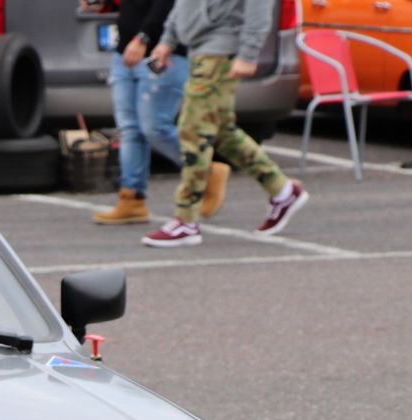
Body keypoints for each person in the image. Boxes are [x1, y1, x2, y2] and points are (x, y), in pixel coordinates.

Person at [140, 0, 308, 247]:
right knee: (221, 131)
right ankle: (282, 190)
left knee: (193, 131)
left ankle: (186, 219)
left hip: (220, 48)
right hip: (201, 47)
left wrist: (248, 53)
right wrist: (168, 39)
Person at [89, 0, 230, 226]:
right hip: (125, 51)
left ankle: (204, 170)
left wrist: (144, 37)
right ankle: (132, 198)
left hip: (162, 52)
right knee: (129, 129)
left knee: (155, 127)